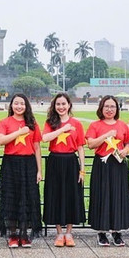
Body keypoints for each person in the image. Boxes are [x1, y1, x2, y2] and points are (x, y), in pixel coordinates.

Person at [0, 93, 43, 248]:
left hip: (29, 163)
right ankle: (13, 234)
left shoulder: (32, 124)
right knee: (11, 198)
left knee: (28, 198)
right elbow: (0, 140)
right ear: (11, 105)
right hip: (11, 163)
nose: (19, 106)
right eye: (16, 103)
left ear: (26, 106)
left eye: (22, 104)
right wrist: (18, 133)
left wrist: (39, 170)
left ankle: (25, 234)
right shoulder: (5, 122)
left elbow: (37, 147)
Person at [86, 95, 129, 247]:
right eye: (106, 106)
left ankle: (117, 231)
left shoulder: (122, 125)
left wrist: (125, 150)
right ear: (101, 108)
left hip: (118, 163)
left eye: (112, 107)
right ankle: (101, 231)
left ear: (117, 109)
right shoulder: (95, 125)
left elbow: (127, 143)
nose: (109, 109)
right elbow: (91, 144)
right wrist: (106, 135)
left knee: (118, 196)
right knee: (102, 195)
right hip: (102, 164)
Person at [42, 92, 86, 247]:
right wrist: (62, 129)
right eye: (58, 104)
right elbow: (45, 138)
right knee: (56, 195)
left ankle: (69, 232)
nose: (61, 107)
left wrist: (82, 169)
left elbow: (80, 148)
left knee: (71, 195)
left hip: (71, 162)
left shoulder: (77, 124)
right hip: (55, 161)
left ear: (69, 105)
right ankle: (59, 233)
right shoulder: (51, 122)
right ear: (55, 106)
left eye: (63, 104)